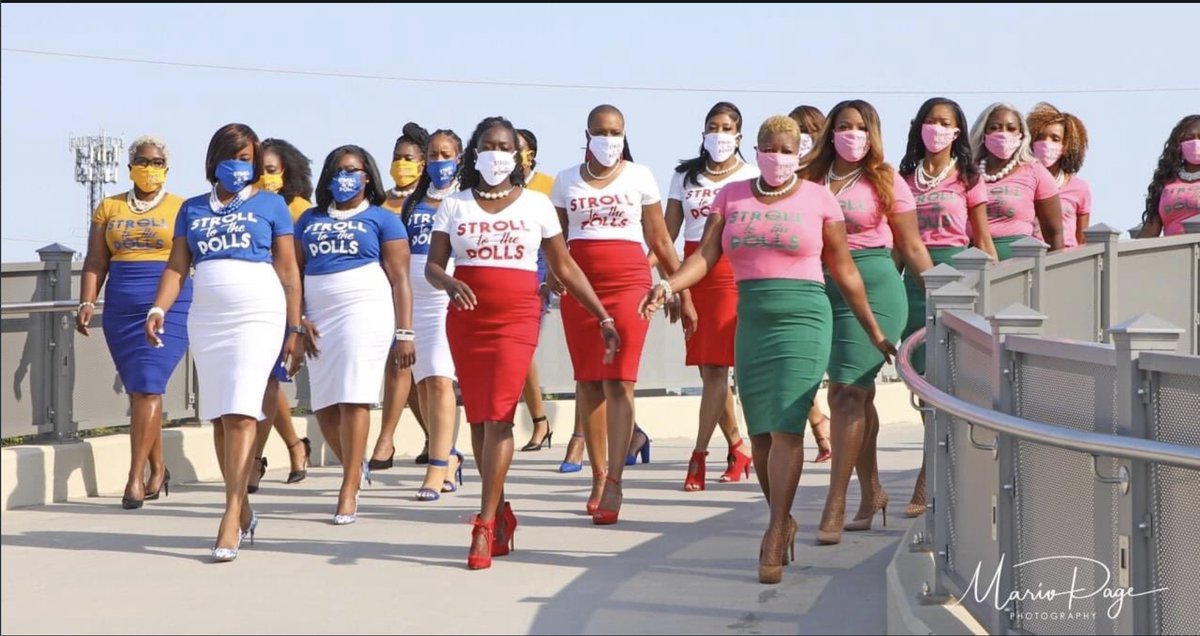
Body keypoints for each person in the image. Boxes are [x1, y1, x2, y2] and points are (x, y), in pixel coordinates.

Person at [641, 114, 894, 584]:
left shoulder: (819, 199)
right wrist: (669, 285)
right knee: (760, 435)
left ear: (800, 153)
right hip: (752, 320)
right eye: (770, 149)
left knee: (787, 428)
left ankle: (776, 529)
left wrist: (875, 331)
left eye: (788, 150)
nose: (779, 158)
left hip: (805, 318)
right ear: (755, 151)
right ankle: (783, 515)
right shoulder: (731, 196)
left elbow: (845, 271)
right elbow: (705, 256)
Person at [425, 115, 618, 570]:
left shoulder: (536, 205)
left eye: (505, 147)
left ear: (518, 155)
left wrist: (603, 315)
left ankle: (484, 523)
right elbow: (433, 266)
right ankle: (501, 509)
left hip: (516, 319)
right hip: (467, 321)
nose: (497, 154)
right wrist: (449, 283)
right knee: (479, 419)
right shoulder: (454, 205)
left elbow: (565, 267)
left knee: (499, 418)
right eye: (489, 146)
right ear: (475, 153)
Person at [145, 123, 302, 562]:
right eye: (231, 157)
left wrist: (294, 328)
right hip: (208, 318)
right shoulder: (192, 208)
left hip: (258, 313)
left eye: (246, 158)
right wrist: (158, 308)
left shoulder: (270, 204)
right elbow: (177, 267)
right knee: (218, 414)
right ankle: (243, 505)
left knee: (240, 412)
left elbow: (288, 270)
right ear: (214, 161)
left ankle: (230, 514)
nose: (239, 166)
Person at [548, 104, 688, 524]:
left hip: (629, 284)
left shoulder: (639, 176)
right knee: (589, 383)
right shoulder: (565, 180)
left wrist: (679, 289)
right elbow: (554, 240)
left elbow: (660, 239)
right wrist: (552, 274)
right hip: (581, 288)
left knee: (620, 381)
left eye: (616, 133)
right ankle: (597, 475)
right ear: (586, 135)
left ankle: (615, 481)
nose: (609, 140)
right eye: (601, 132)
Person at [801, 99, 932, 544]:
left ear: (872, 132)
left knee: (846, 393)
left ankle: (835, 502)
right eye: (843, 126)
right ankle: (872, 491)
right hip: (820, 286)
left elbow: (911, 247)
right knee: (856, 398)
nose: (851, 134)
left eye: (860, 127)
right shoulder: (809, 177)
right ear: (830, 131)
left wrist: (945, 296)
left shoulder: (886, 178)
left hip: (874, 285)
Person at [295, 144, 414, 524]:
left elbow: (400, 279)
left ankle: (348, 488)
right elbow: (293, 272)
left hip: (364, 309)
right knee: (324, 405)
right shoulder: (309, 219)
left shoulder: (382, 219)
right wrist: (297, 318)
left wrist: (405, 332)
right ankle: (354, 464)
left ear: (367, 177)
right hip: (318, 315)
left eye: (353, 170)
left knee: (353, 397)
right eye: (338, 170)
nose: (345, 177)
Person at [77, 135, 188, 509]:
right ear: (129, 167)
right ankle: (159, 469)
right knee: (139, 390)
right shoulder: (109, 207)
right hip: (121, 306)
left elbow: (188, 259)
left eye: (156, 162)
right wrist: (87, 300)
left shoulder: (182, 208)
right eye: (142, 161)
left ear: (166, 168)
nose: (149, 168)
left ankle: (134, 478)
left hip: (169, 304)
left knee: (149, 386)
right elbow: (96, 260)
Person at [896, 97, 992, 519]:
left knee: (950, 380)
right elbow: (897, 243)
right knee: (922, 379)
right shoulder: (903, 180)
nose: (936, 128)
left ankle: (930, 473)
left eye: (945, 122)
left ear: (957, 131)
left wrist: (994, 287)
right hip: (913, 284)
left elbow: (982, 241)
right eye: (930, 121)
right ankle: (936, 459)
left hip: (957, 279)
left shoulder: (969, 178)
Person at [664, 101, 759, 491]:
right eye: (712, 127)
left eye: (726, 128)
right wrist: (673, 285)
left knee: (718, 370)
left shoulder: (751, 176)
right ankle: (737, 446)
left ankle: (699, 455)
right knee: (708, 373)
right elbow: (666, 236)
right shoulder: (684, 177)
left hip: (732, 272)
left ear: (739, 135)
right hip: (693, 271)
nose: (719, 134)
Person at [243, 137, 314, 489]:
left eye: (271, 170)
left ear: (287, 172)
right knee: (264, 381)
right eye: (260, 170)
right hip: (249, 304)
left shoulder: (300, 210)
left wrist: (301, 315)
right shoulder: (246, 204)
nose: (265, 176)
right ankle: (295, 445)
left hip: (286, 305)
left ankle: (253, 459)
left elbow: (301, 266)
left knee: (270, 381)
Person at [400, 128, 466, 500]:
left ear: (459, 158)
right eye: (433, 155)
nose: (440, 161)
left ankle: (436, 467)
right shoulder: (413, 202)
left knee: (441, 379)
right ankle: (450, 454)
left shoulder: (465, 198)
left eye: (446, 154)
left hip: (447, 297)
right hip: (415, 302)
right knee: (424, 383)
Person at [369, 123, 432, 470]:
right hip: (385, 293)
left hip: (422, 293)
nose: (401, 164)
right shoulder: (379, 202)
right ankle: (394, 439)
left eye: (408, 158)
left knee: (419, 375)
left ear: (423, 163)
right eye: (397, 157)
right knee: (400, 367)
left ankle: (401, 439)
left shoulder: (427, 200)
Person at [787, 105, 834, 462]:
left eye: (811, 131)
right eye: (797, 131)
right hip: (797, 282)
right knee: (795, 366)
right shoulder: (782, 180)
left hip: (834, 276)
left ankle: (828, 426)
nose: (804, 139)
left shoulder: (830, 178)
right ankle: (818, 420)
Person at [970, 103, 1063, 257]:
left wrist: (1054, 268)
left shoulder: (1035, 171)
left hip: (1019, 265)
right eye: (995, 127)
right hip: (971, 262)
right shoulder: (967, 172)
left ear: (1021, 134)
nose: (1003, 134)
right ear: (984, 132)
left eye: (1011, 128)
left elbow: (1054, 233)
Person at [514, 127, 555, 453]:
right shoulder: (499, 189)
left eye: (518, 149)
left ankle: (539, 420)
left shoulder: (548, 186)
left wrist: (554, 276)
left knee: (522, 349)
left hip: (539, 267)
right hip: (510, 265)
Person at [1027, 103, 1092, 248]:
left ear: (1066, 146)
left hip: (1066, 258)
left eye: (1055, 138)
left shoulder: (1080, 188)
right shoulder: (1024, 184)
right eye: (1040, 137)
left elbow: (1082, 239)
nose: (1046, 143)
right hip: (1030, 255)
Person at [1137, 114, 1200, 238]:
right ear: (1178, 144)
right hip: (1173, 249)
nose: (1196, 142)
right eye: (1189, 138)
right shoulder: (1166, 180)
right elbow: (1150, 230)